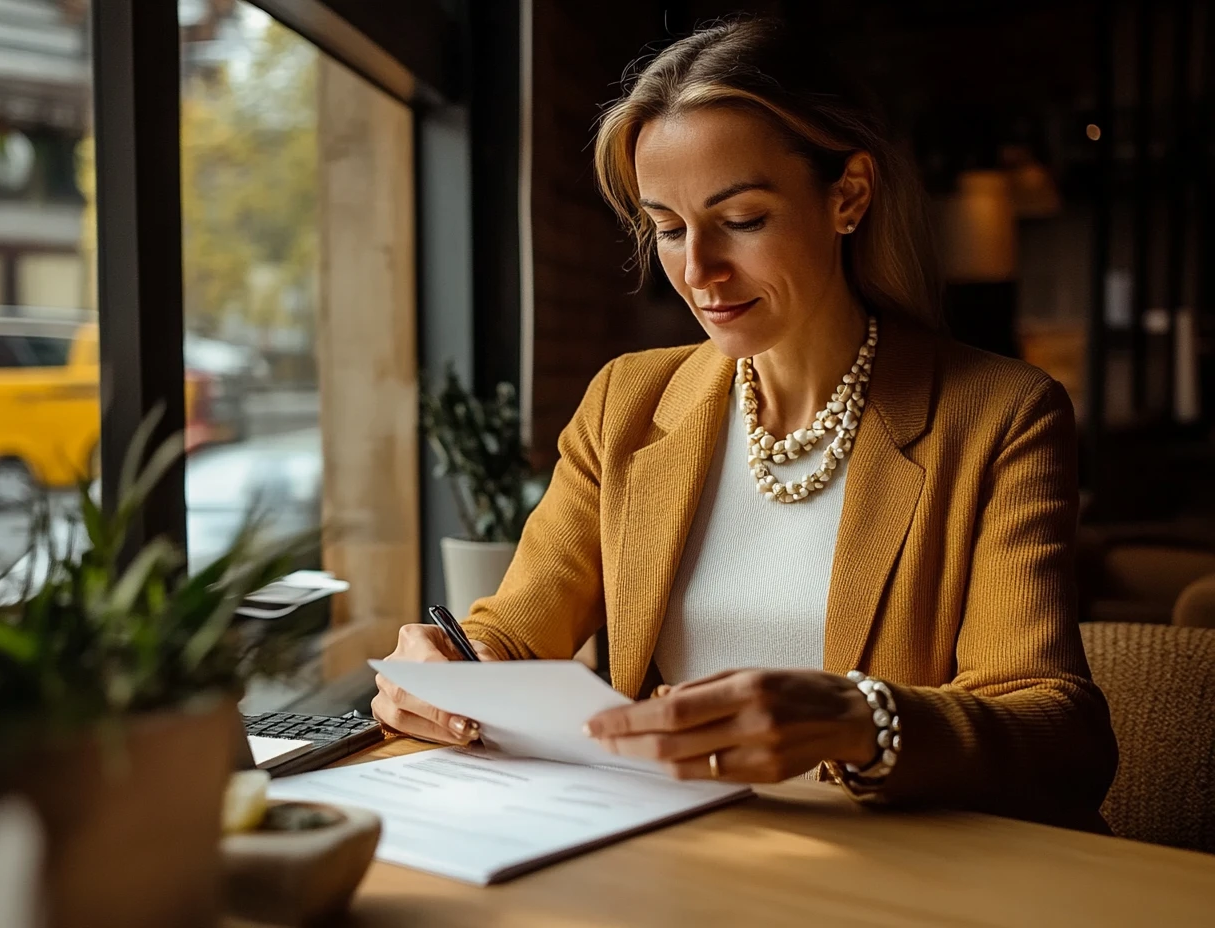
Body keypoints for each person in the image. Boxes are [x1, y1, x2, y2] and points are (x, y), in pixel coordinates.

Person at [371, 16, 1117, 828]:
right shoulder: (628, 404)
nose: (699, 272)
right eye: (667, 227)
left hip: (907, 880)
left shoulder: (1000, 417)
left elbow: (1061, 737)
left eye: (744, 219)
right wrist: (445, 672)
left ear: (849, 196)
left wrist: (858, 720)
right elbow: (513, 633)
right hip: (676, 860)